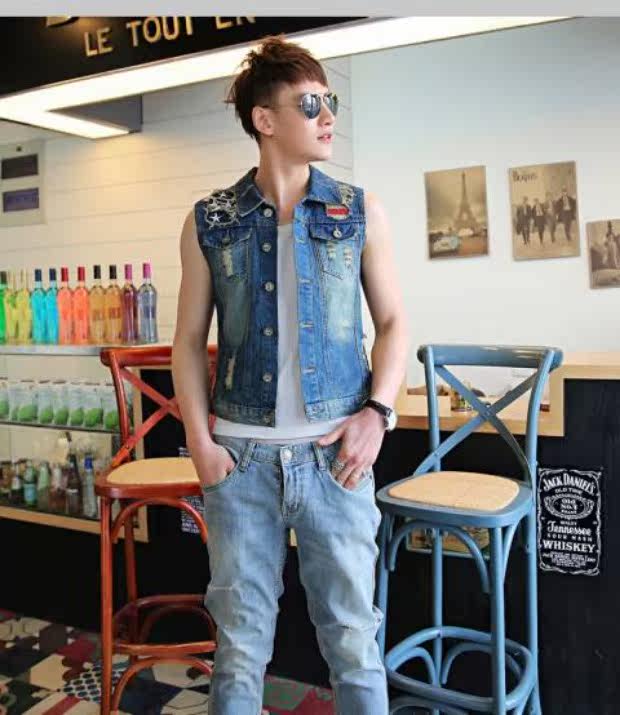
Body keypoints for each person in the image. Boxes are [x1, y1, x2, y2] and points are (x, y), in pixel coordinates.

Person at [171, 35, 409, 715]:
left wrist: (378, 413)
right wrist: (200, 441)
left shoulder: (358, 210)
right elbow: (187, 342)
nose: (328, 115)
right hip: (240, 464)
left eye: (330, 101)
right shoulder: (210, 221)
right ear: (264, 120)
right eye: (310, 104)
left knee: (354, 644)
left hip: (336, 462)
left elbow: (395, 322)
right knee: (239, 650)